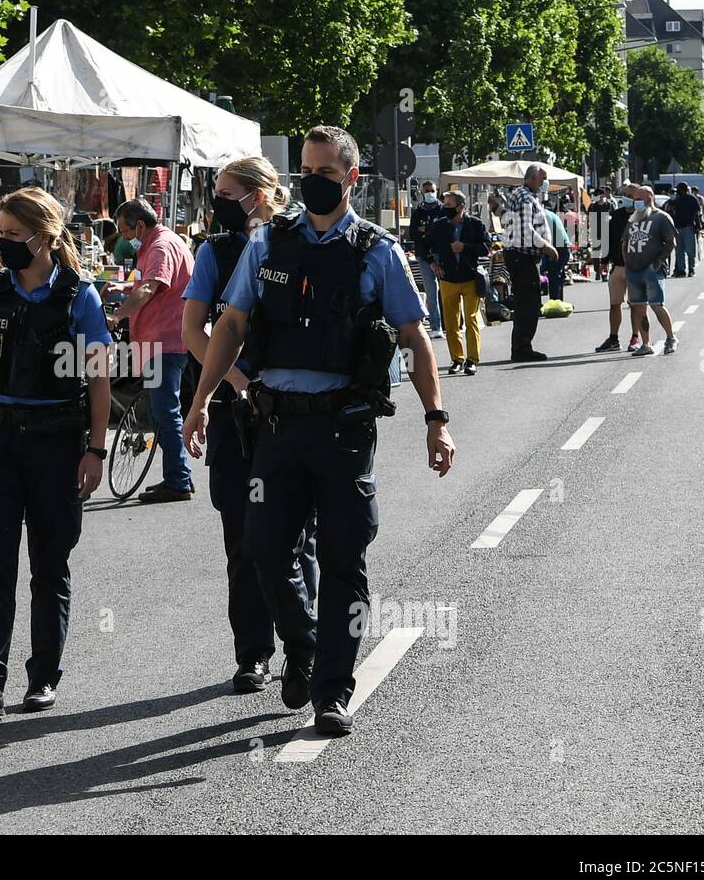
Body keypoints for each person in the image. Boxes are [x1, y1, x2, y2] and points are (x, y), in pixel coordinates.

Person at [181, 125, 455, 738]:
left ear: (351, 178)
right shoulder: (268, 244)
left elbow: (414, 339)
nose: (312, 182)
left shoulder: (376, 251)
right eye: (305, 171)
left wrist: (436, 421)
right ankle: (301, 645)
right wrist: (201, 400)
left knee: (343, 559)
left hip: (343, 429)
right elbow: (228, 326)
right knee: (264, 548)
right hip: (274, 425)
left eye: (326, 174)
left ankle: (333, 690)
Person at [0, 187, 112, 717]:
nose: (5, 244)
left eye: (15, 235)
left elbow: (99, 380)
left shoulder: (80, 297)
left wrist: (96, 451)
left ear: (46, 237)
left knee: (50, 563)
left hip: (58, 445)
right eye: (2, 233)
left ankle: (43, 677)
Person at [181, 155, 318, 694]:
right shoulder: (214, 251)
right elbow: (195, 331)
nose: (218, 203)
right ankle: (253, 653)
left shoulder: (301, 241)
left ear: (261, 194)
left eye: (227, 192)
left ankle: (301, 649)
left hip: (292, 412)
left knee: (298, 536)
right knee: (241, 538)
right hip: (238, 415)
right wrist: (233, 384)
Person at [104, 198, 196, 502]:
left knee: (165, 412)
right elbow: (147, 284)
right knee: (161, 412)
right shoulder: (156, 244)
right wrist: (123, 288)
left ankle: (179, 481)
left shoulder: (160, 245)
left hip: (165, 342)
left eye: (125, 231)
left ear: (140, 225)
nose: (124, 238)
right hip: (158, 341)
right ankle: (178, 476)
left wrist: (117, 315)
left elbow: (149, 289)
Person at [427, 189, 491, 376]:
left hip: (470, 277)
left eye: (449, 205)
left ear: (461, 206)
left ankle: (472, 360)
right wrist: (432, 263)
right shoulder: (439, 226)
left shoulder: (475, 224)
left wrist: (465, 247)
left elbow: (486, 247)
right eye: (444, 204)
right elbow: (422, 245)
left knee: (471, 319)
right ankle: (457, 359)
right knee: (451, 322)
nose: (444, 208)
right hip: (448, 279)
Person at [501, 166, 560, 362]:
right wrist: (546, 247)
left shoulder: (524, 195)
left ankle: (521, 346)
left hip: (521, 255)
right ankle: (522, 348)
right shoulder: (525, 197)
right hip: (522, 256)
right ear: (533, 178)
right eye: (543, 178)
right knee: (528, 303)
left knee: (526, 302)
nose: (545, 182)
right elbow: (525, 229)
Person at [621, 183, 677, 357]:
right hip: (633, 269)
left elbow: (670, 243)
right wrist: (626, 262)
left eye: (638, 199)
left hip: (652, 269)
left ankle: (671, 338)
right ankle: (646, 343)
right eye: (634, 199)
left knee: (656, 305)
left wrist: (658, 261)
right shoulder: (634, 218)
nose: (635, 202)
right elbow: (625, 241)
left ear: (649, 199)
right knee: (638, 308)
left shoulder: (661, 217)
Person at [594, 194, 641, 353]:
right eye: (626, 195)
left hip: (636, 267)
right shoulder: (616, 214)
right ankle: (613, 338)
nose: (627, 198)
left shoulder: (644, 215)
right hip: (618, 266)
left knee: (636, 304)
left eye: (630, 195)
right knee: (614, 304)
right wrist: (604, 261)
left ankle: (636, 337)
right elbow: (608, 239)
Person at [407, 180, 445, 339]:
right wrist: (430, 229)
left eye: (432, 190)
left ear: (437, 191)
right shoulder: (418, 211)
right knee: (431, 292)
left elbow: (444, 230)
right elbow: (413, 234)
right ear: (422, 192)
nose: (429, 193)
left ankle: (452, 324)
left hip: (442, 255)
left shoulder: (443, 209)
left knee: (448, 291)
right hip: (424, 256)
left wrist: (426, 229)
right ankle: (436, 326)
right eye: (426, 190)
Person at [667, 183, 700, 277]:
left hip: (688, 227)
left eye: (679, 190)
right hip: (677, 228)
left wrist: (698, 226)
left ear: (684, 190)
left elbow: (696, 213)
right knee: (679, 251)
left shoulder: (692, 199)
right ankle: (681, 270)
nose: (678, 192)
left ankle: (691, 269)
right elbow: (670, 211)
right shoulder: (676, 200)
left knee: (690, 250)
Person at [543, 201, 572, 303]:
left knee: (554, 275)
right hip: (564, 247)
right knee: (557, 275)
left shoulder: (542, 216)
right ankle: (559, 301)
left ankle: (555, 302)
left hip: (558, 247)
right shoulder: (550, 214)